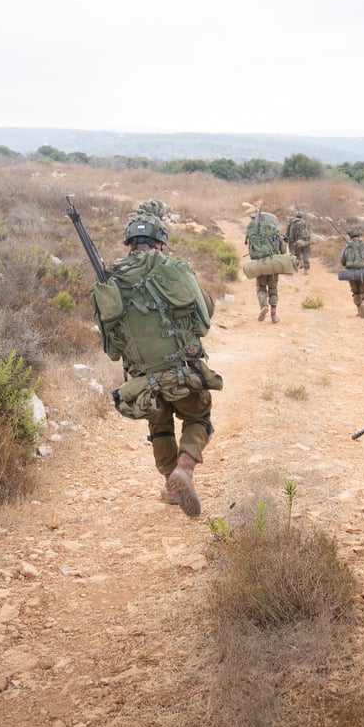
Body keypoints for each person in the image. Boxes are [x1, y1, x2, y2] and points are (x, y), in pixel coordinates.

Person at [109, 211, 216, 518]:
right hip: (182, 371)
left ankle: (171, 484)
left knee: (159, 428)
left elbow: (112, 346)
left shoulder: (111, 279)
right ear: (159, 243)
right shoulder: (176, 269)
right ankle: (185, 468)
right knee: (199, 418)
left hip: (143, 379)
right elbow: (203, 320)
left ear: (130, 243)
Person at [245, 211, 288, 323]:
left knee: (261, 288)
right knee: (273, 289)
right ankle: (274, 316)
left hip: (260, 264)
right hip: (273, 265)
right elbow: (284, 251)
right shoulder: (275, 234)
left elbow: (251, 251)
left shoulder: (255, 234)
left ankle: (263, 306)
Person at [340, 228, 364, 318]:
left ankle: (359, 310)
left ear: (350, 237)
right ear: (359, 236)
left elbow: (343, 262)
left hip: (352, 273)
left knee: (355, 292)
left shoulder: (347, 246)